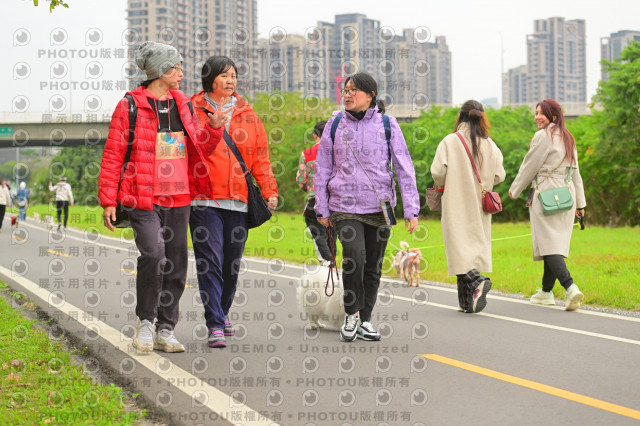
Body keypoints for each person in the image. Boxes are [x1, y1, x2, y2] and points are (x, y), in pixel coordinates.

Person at [99, 41, 227, 353]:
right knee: (154, 255)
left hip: (179, 196)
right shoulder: (130, 105)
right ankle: (145, 322)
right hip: (142, 196)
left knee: (177, 264)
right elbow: (113, 153)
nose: (182, 73)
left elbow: (199, 146)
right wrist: (108, 200)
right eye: (177, 68)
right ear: (160, 71)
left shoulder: (183, 103)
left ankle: (166, 328)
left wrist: (213, 129)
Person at [314, 71, 420, 342]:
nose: (347, 95)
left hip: (379, 206)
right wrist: (322, 208)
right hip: (344, 205)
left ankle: (366, 320)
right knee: (355, 257)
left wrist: (411, 209)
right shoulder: (335, 124)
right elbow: (322, 168)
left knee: (373, 264)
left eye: (353, 90)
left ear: (370, 95)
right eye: (345, 90)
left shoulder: (387, 124)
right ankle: (351, 314)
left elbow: (404, 167)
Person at [190, 56, 278, 348]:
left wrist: (269, 189)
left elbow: (261, 158)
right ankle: (215, 323)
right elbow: (189, 151)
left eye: (234, 76)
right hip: (204, 200)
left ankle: (222, 312)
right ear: (209, 78)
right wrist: (212, 128)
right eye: (224, 75)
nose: (231, 81)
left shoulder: (248, 114)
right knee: (210, 262)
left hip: (239, 200)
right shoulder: (191, 110)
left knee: (231, 265)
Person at [509, 99, 586, 311]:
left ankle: (570, 287)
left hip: (546, 194)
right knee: (554, 244)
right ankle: (546, 292)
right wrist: (580, 204)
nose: (537, 117)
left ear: (553, 115)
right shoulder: (568, 137)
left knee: (548, 244)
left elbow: (529, 166)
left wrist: (515, 189)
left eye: (541, 113)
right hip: (567, 195)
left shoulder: (543, 136)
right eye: (536, 113)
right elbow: (576, 174)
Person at [430, 100, 506, 314]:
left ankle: (478, 280)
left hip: (455, 201)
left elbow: (438, 173)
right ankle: (466, 303)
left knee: (458, 248)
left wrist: (448, 180)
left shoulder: (450, 141)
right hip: (480, 205)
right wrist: (485, 181)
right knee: (472, 250)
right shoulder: (490, 144)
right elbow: (500, 175)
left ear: (460, 116)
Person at [296, 120, 337, 266]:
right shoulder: (338, 152)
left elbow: (301, 180)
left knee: (317, 231)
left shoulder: (307, 154)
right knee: (332, 233)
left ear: (315, 135)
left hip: (316, 199)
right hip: (335, 199)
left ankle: (327, 261)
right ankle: (332, 260)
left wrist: (309, 189)